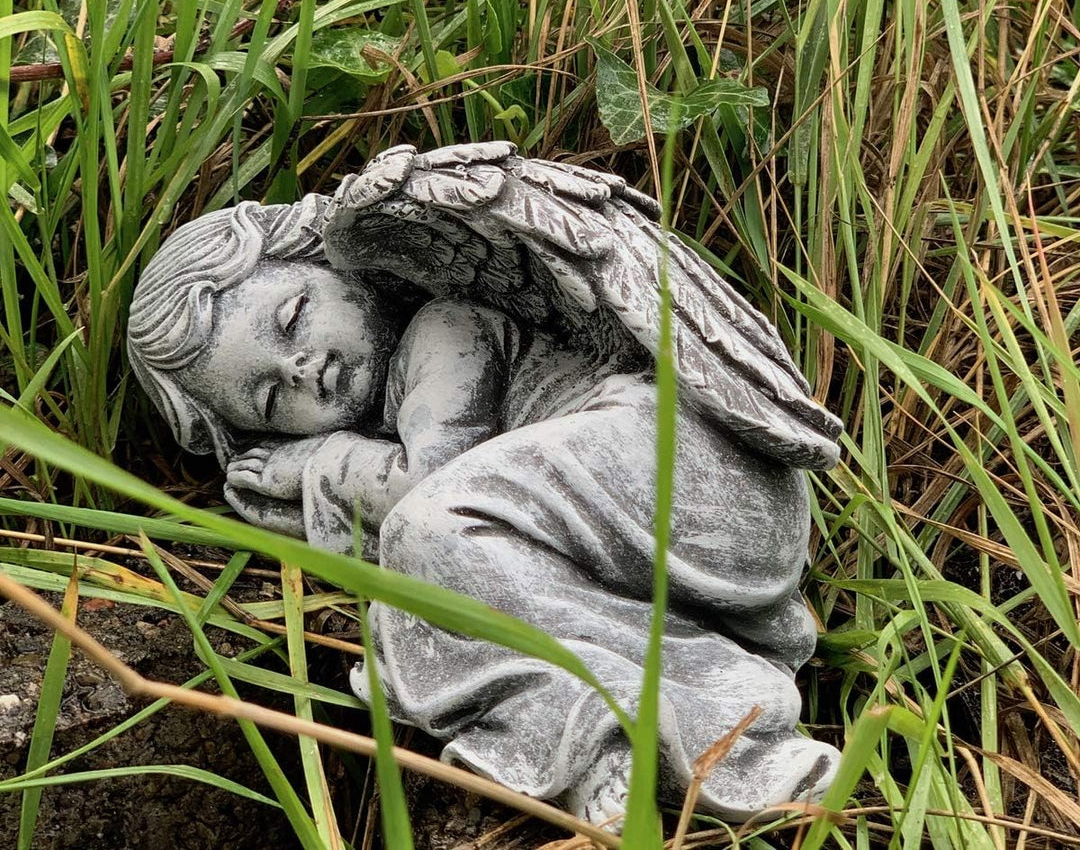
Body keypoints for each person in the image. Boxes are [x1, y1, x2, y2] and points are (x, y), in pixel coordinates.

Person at [128, 174, 840, 826]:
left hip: (695, 473)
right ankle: (612, 742)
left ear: (325, 263)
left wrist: (323, 461)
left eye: (292, 318)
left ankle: (733, 734)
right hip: (676, 531)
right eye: (271, 396)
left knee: (423, 535)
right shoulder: (410, 418)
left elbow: (427, 485)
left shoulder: (444, 328)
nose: (302, 367)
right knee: (432, 598)